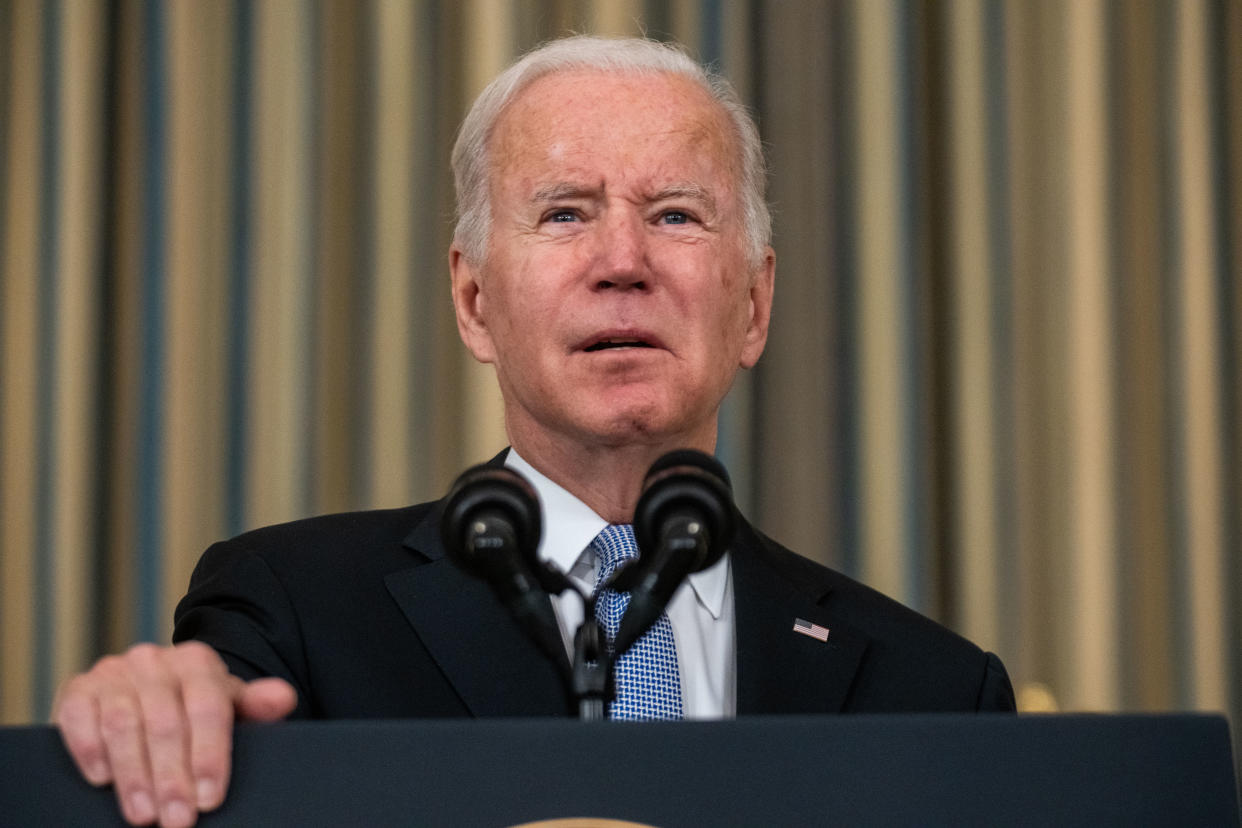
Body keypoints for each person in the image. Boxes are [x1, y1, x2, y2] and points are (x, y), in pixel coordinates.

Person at [53, 35, 1015, 828]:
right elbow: (199, 739)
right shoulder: (294, 611)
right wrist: (157, 717)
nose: (623, 262)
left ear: (754, 305)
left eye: (675, 214)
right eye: (565, 214)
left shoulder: (932, 689)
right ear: (474, 301)